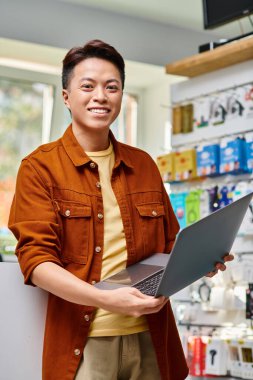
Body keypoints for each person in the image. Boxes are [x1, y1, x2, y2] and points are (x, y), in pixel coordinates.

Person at [8, 39, 233, 380]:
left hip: (151, 337)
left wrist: (202, 259)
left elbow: (170, 245)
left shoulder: (142, 164)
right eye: (88, 86)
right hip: (85, 345)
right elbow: (37, 263)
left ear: (121, 95)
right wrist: (106, 300)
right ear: (67, 97)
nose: (101, 96)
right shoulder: (39, 168)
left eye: (112, 87)